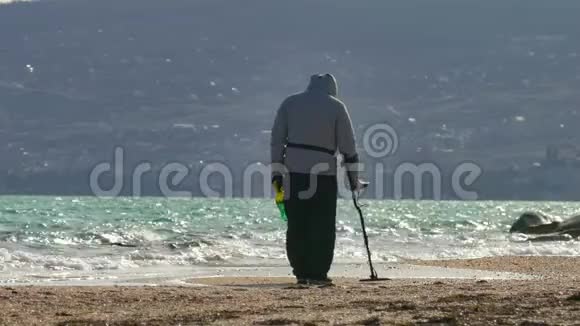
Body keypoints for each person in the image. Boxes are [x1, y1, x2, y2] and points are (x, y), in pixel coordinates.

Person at [270, 73, 365, 285]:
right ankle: (319, 272)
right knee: (322, 225)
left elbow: (276, 141)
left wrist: (276, 172)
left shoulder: (290, 103)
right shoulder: (337, 107)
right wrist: (353, 177)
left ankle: (300, 270)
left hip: (294, 173)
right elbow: (348, 146)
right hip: (324, 175)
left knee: (297, 224)